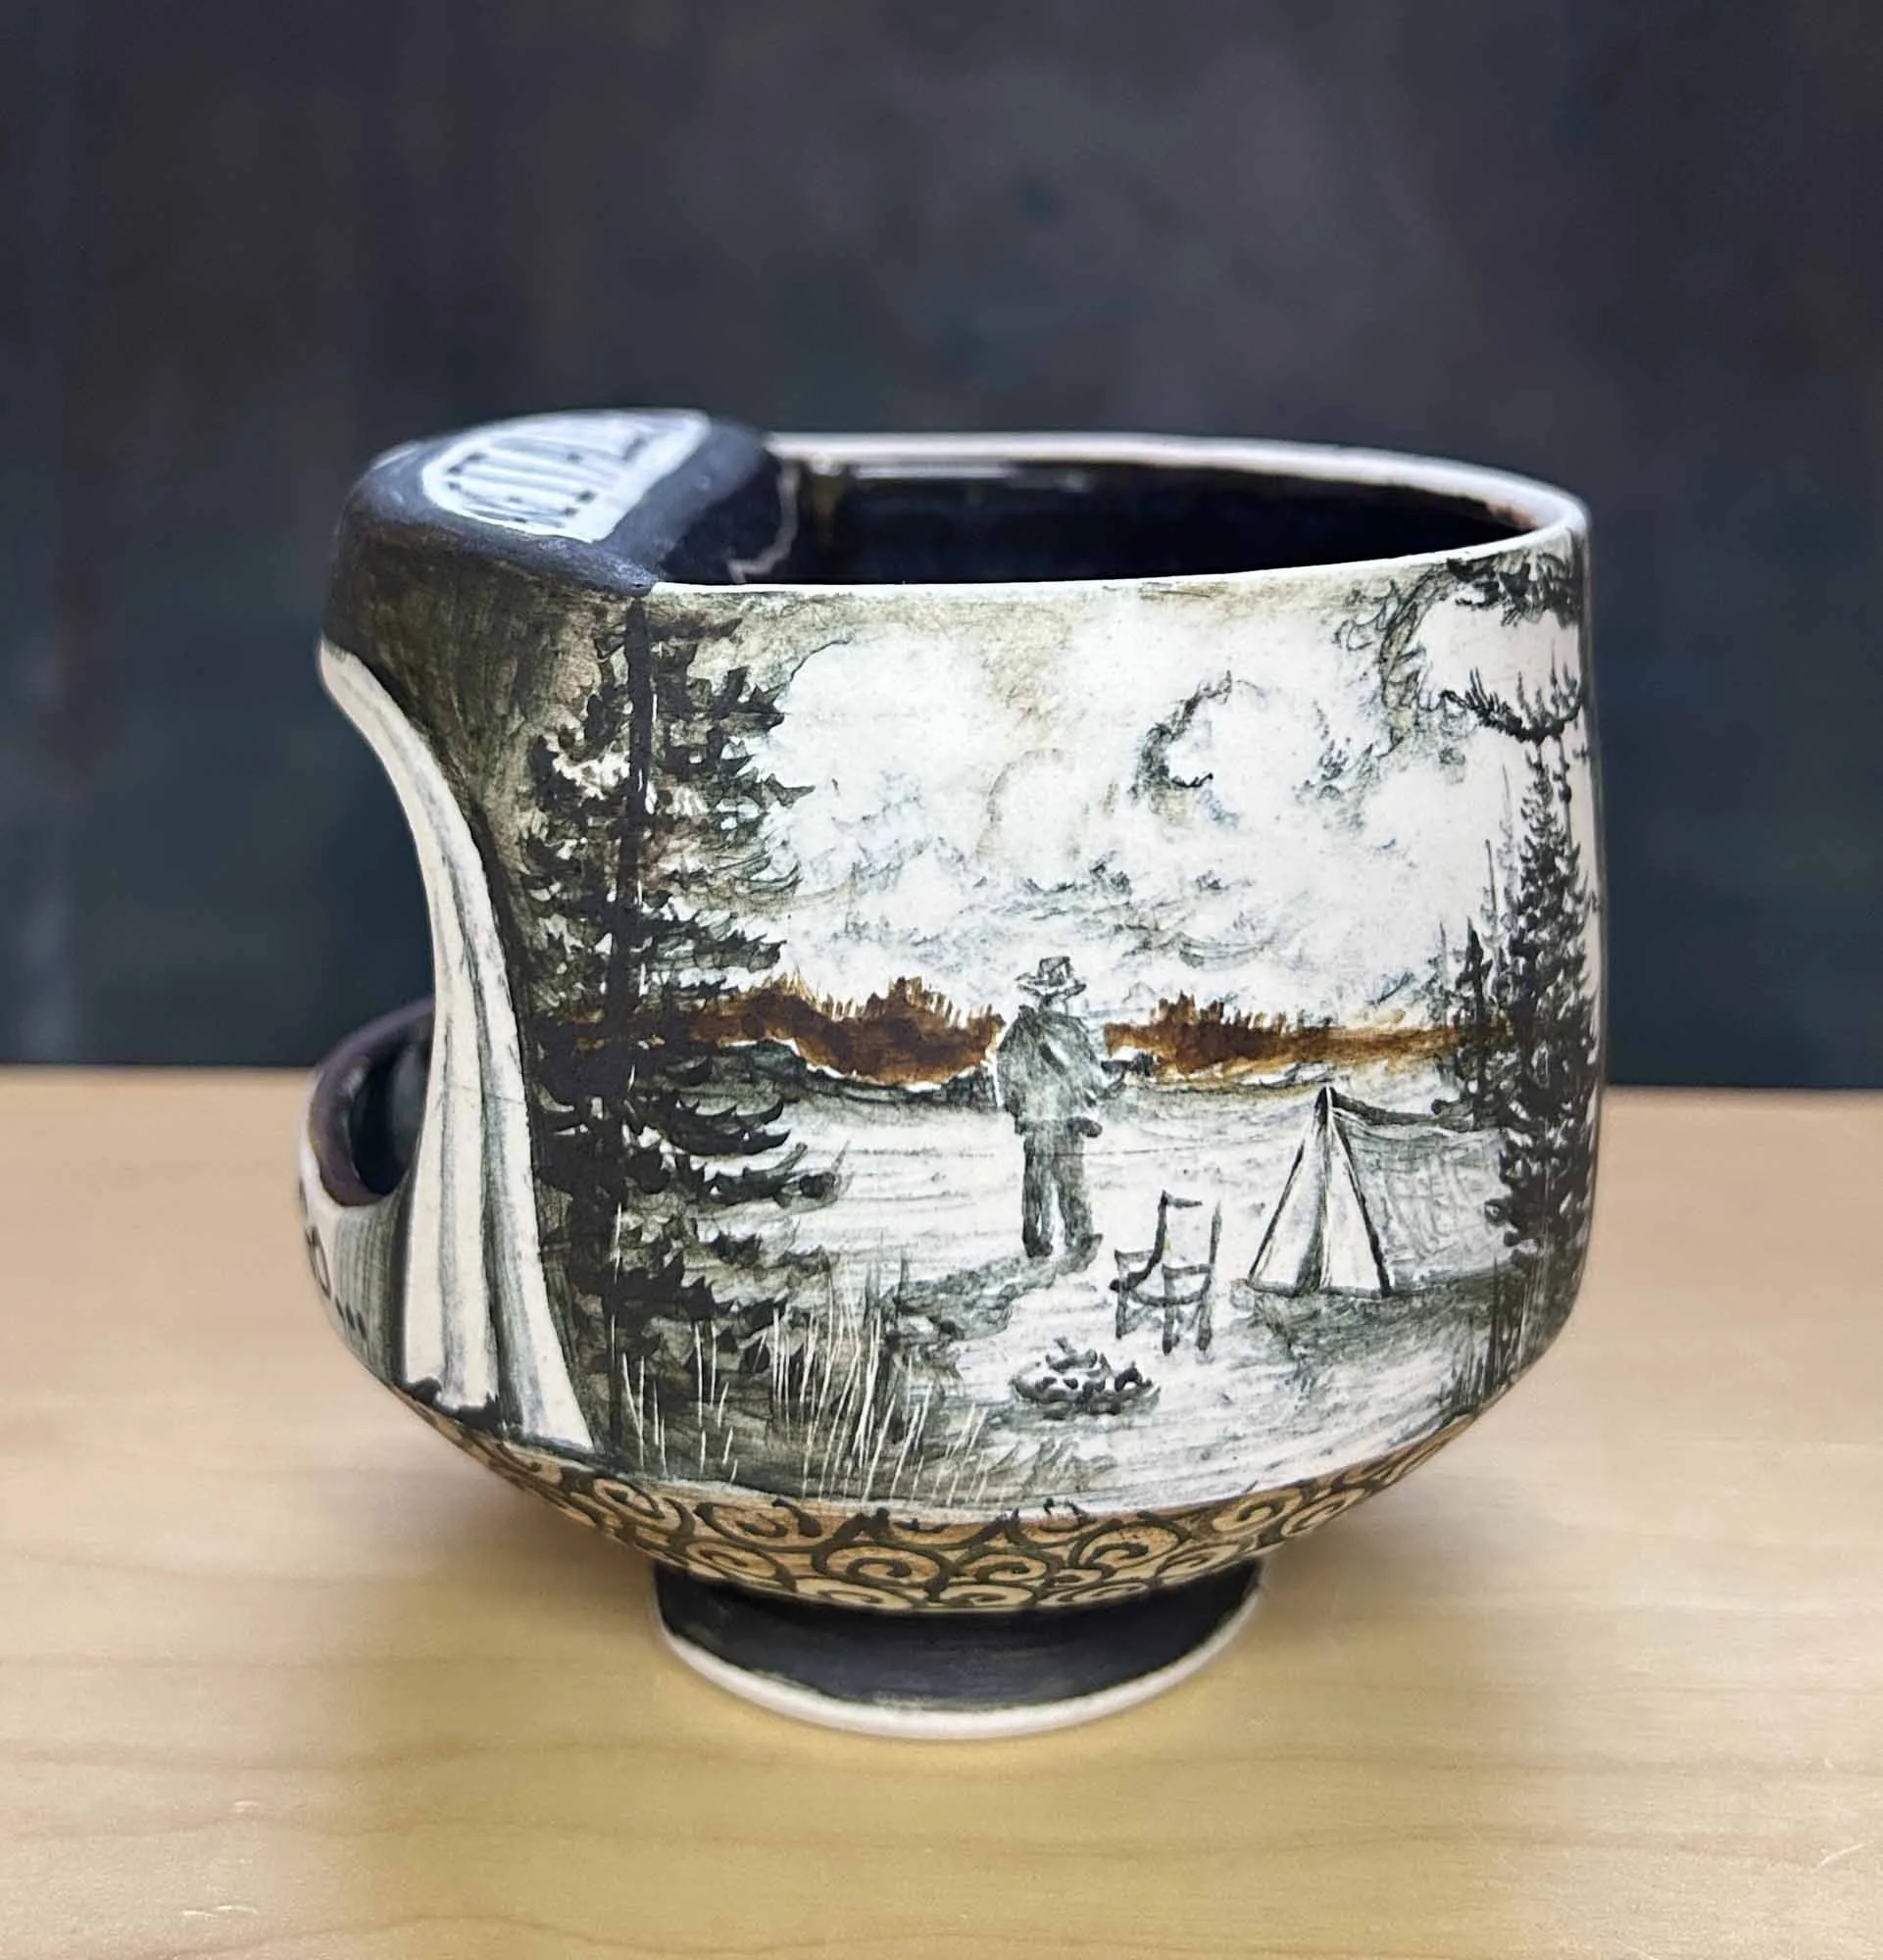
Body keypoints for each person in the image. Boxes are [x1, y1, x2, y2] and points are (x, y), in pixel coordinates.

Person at [994, 956, 1122, 1262]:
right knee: (1071, 1177)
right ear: (1062, 996)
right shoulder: (1073, 1032)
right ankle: (1079, 1237)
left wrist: (1018, 1108)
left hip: (1036, 1119)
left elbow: (1005, 1071)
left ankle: (1036, 1240)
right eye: (1066, 995)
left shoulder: (1020, 1030)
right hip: (1067, 1119)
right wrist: (1111, 1084)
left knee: (1036, 1181)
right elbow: (1091, 1077)